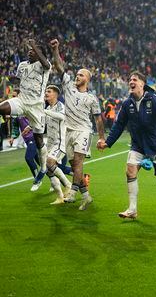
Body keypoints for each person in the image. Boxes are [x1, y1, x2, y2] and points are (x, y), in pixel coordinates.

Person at [97, 71, 156, 219]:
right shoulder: (127, 104)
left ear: (142, 84)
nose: (131, 81)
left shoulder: (154, 99)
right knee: (130, 171)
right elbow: (118, 125)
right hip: (137, 144)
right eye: (130, 79)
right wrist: (108, 143)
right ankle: (132, 209)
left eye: (134, 79)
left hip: (155, 145)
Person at [50, 39, 105, 211]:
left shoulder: (91, 98)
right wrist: (55, 49)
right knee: (75, 166)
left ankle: (72, 191)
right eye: (77, 74)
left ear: (87, 79)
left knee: (79, 162)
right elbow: (59, 67)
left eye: (81, 75)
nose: (77, 76)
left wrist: (101, 137)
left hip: (84, 131)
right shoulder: (68, 87)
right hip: (69, 130)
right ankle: (86, 196)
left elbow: (98, 119)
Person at [0, 39, 51, 190]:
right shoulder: (22, 65)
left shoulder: (44, 65)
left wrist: (34, 45)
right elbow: (19, 79)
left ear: (39, 53)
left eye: (33, 51)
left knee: (39, 140)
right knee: (1, 108)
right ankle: (9, 123)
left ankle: (43, 168)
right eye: (29, 50)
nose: (30, 51)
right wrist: (9, 77)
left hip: (36, 107)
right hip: (22, 101)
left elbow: (47, 64)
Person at [44, 85, 72, 204]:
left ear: (55, 94)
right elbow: (43, 122)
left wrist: (45, 111)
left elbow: (61, 116)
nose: (46, 93)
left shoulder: (60, 106)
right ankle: (60, 197)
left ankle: (68, 185)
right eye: (45, 91)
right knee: (48, 170)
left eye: (49, 91)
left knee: (50, 162)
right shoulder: (48, 107)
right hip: (50, 144)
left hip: (60, 142)